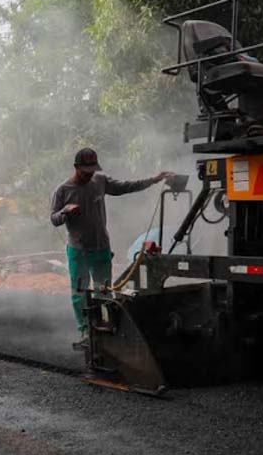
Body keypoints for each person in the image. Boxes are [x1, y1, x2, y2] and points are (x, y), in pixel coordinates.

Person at [50, 148, 173, 347]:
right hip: (78, 250)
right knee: (79, 293)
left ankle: (105, 328)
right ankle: (84, 331)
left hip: (101, 248)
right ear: (76, 167)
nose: (89, 173)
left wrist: (155, 179)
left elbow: (127, 186)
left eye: (92, 169)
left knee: (104, 290)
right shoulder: (63, 190)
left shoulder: (100, 181)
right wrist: (65, 211)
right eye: (85, 170)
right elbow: (54, 219)